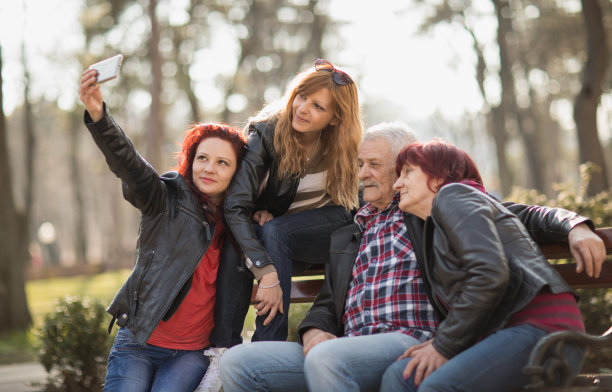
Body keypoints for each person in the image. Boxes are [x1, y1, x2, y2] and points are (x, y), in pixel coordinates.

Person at [218, 124, 605, 392]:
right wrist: (314, 329)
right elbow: (329, 300)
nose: (363, 174)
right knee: (238, 363)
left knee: (331, 360)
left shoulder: (430, 211)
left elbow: (518, 216)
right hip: (347, 344)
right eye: (359, 164)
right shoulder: (349, 231)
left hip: (408, 337)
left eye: (376, 165)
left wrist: (574, 225)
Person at [380, 138, 605, 392]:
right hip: (504, 334)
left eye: (408, 172)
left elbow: (489, 273)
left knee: (437, 387)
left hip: (544, 332)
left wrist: (575, 226)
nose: (397, 184)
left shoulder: (454, 194)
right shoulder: (446, 218)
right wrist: (441, 341)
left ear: (439, 176)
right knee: (401, 376)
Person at [78, 67, 246, 392]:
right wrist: (100, 118)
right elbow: (131, 167)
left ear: (237, 173)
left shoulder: (240, 222)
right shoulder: (166, 197)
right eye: (203, 158)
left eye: (222, 162)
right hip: (138, 342)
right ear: (191, 160)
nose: (209, 168)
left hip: (191, 352)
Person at [211, 58, 362, 346]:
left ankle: (268, 347)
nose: (303, 108)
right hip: (278, 243)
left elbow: (360, 202)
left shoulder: (346, 145)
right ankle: (221, 351)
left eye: (318, 106)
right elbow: (235, 205)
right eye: (302, 96)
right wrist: (265, 269)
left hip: (329, 234)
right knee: (245, 240)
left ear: (335, 118)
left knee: (276, 230)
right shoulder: (267, 134)